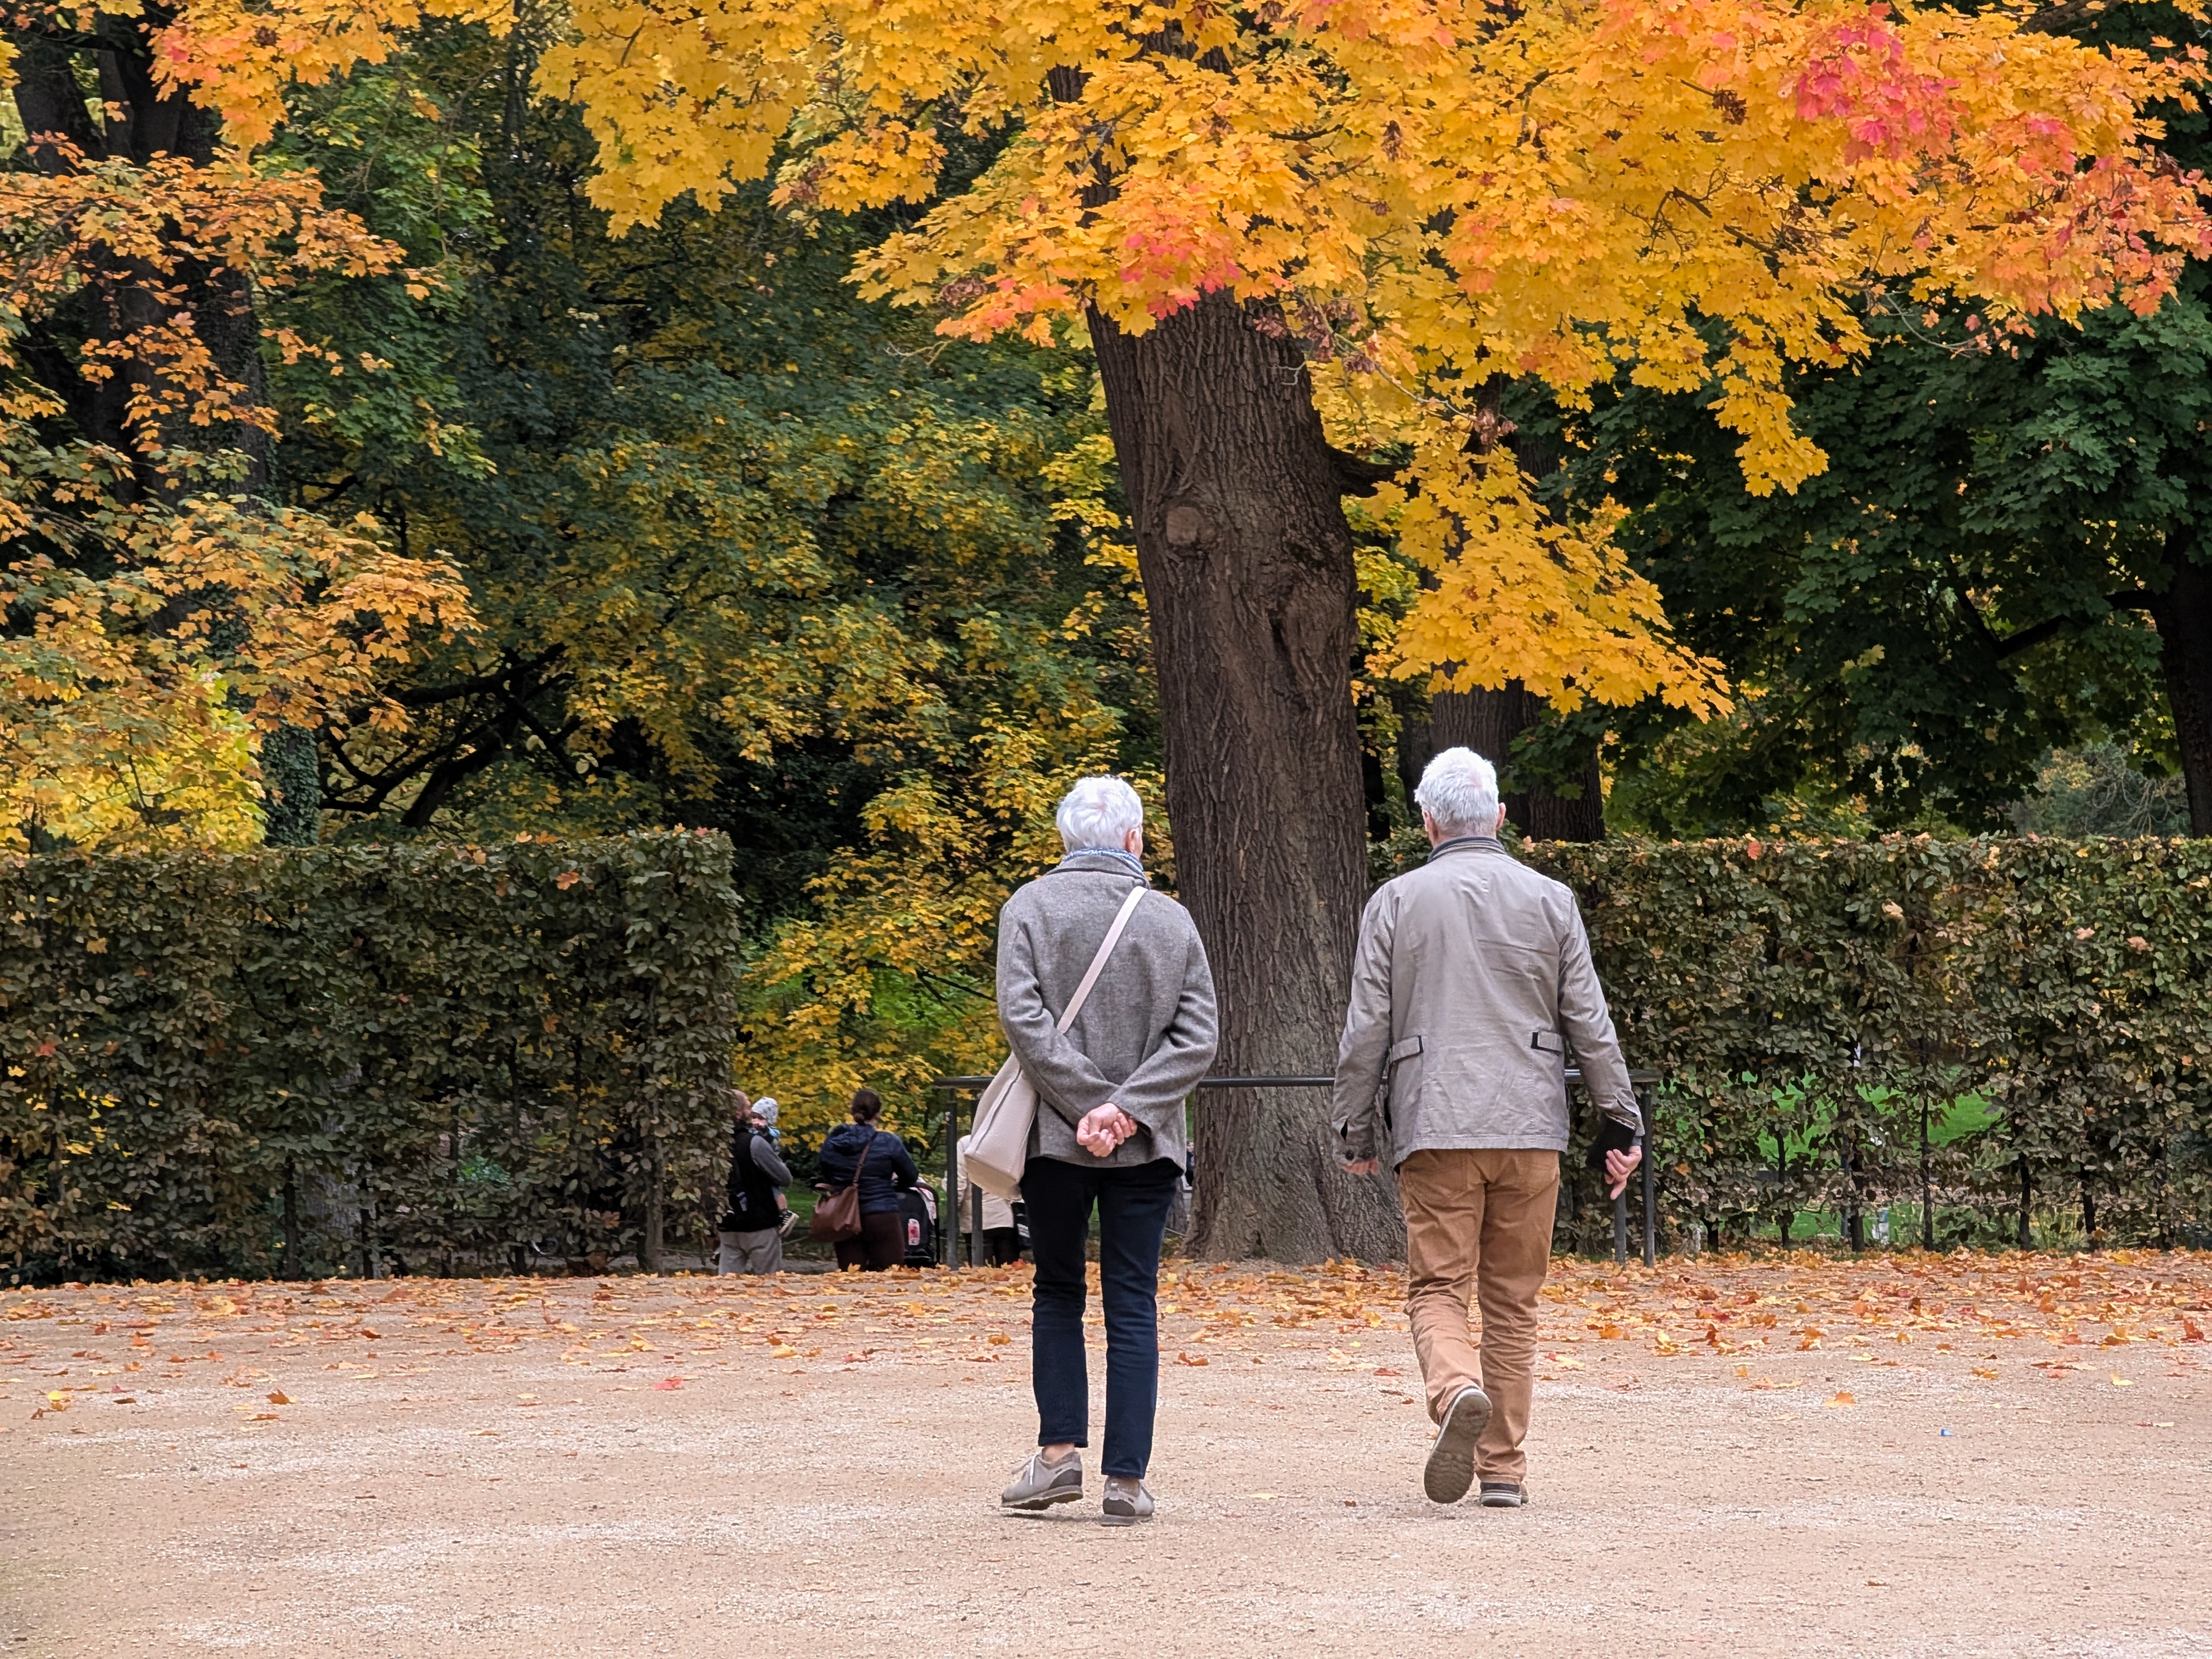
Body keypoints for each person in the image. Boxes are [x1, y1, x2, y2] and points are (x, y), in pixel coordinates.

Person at [1333, 747, 1643, 1510]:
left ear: (1427, 821)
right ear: (1501, 816)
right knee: (1513, 1300)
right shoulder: (1551, 899)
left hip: (1435, 1122)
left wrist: (1354, 1129)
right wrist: (1620, 1120)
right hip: (1530, 1123)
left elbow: (1367, 1027)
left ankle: (1455, 1390)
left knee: (1439, 1287)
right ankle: (1502, 1468)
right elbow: (1589, 1021)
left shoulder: (1396, 901)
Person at [993, 775, 1217, 1526]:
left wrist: (1086, 1104)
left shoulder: (1029, 908)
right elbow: (1199, 1037)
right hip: (1147, 1143)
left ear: (1065, 839)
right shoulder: (1172, 920)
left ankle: (1058, 1454)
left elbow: (1022, 1018)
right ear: (1133, 839)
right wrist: (1125, 1111)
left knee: (1057, 1290)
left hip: (1054, 1139)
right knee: (1133, 1301)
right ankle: (1126, 1479)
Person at [815, 1089, 919, 1271]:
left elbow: (826, 1171)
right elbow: (911, 1176)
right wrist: (891, 1183)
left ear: (852, 1111)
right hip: (882, 1213)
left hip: (844, 1216)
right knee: (891, 1274)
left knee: (851, 1275)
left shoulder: (834, 1142)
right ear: (878, 1113)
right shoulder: (889, 1142)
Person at [718, 1094, 793, 1275]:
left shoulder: (714, 1144)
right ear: (738, 1112)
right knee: (769, 1283)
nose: (750, 1111)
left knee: (725, 1285)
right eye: (748, 1107)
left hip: (727, 1223)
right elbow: (785, 1178)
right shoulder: (754, 1143)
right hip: (760, 1224)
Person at [956, 1133, 1020, 1265]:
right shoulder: (1006, 1142)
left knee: (980, 1272)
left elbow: (958, 1183)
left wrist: (954, 1209)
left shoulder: (966, 1143)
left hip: (975, 1220)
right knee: (1010, 1272)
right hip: (1005, 1218)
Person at [751, 1097, 803, 1239]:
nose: (756, 1121)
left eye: (760, 1118)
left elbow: (771, 1139)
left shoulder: (773, 1132)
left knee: (773, 1189)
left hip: (769, 1165)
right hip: (757, 1165)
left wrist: (764, 1129)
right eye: (754, 1117)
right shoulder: (752, 1130)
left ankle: (785, 1213)